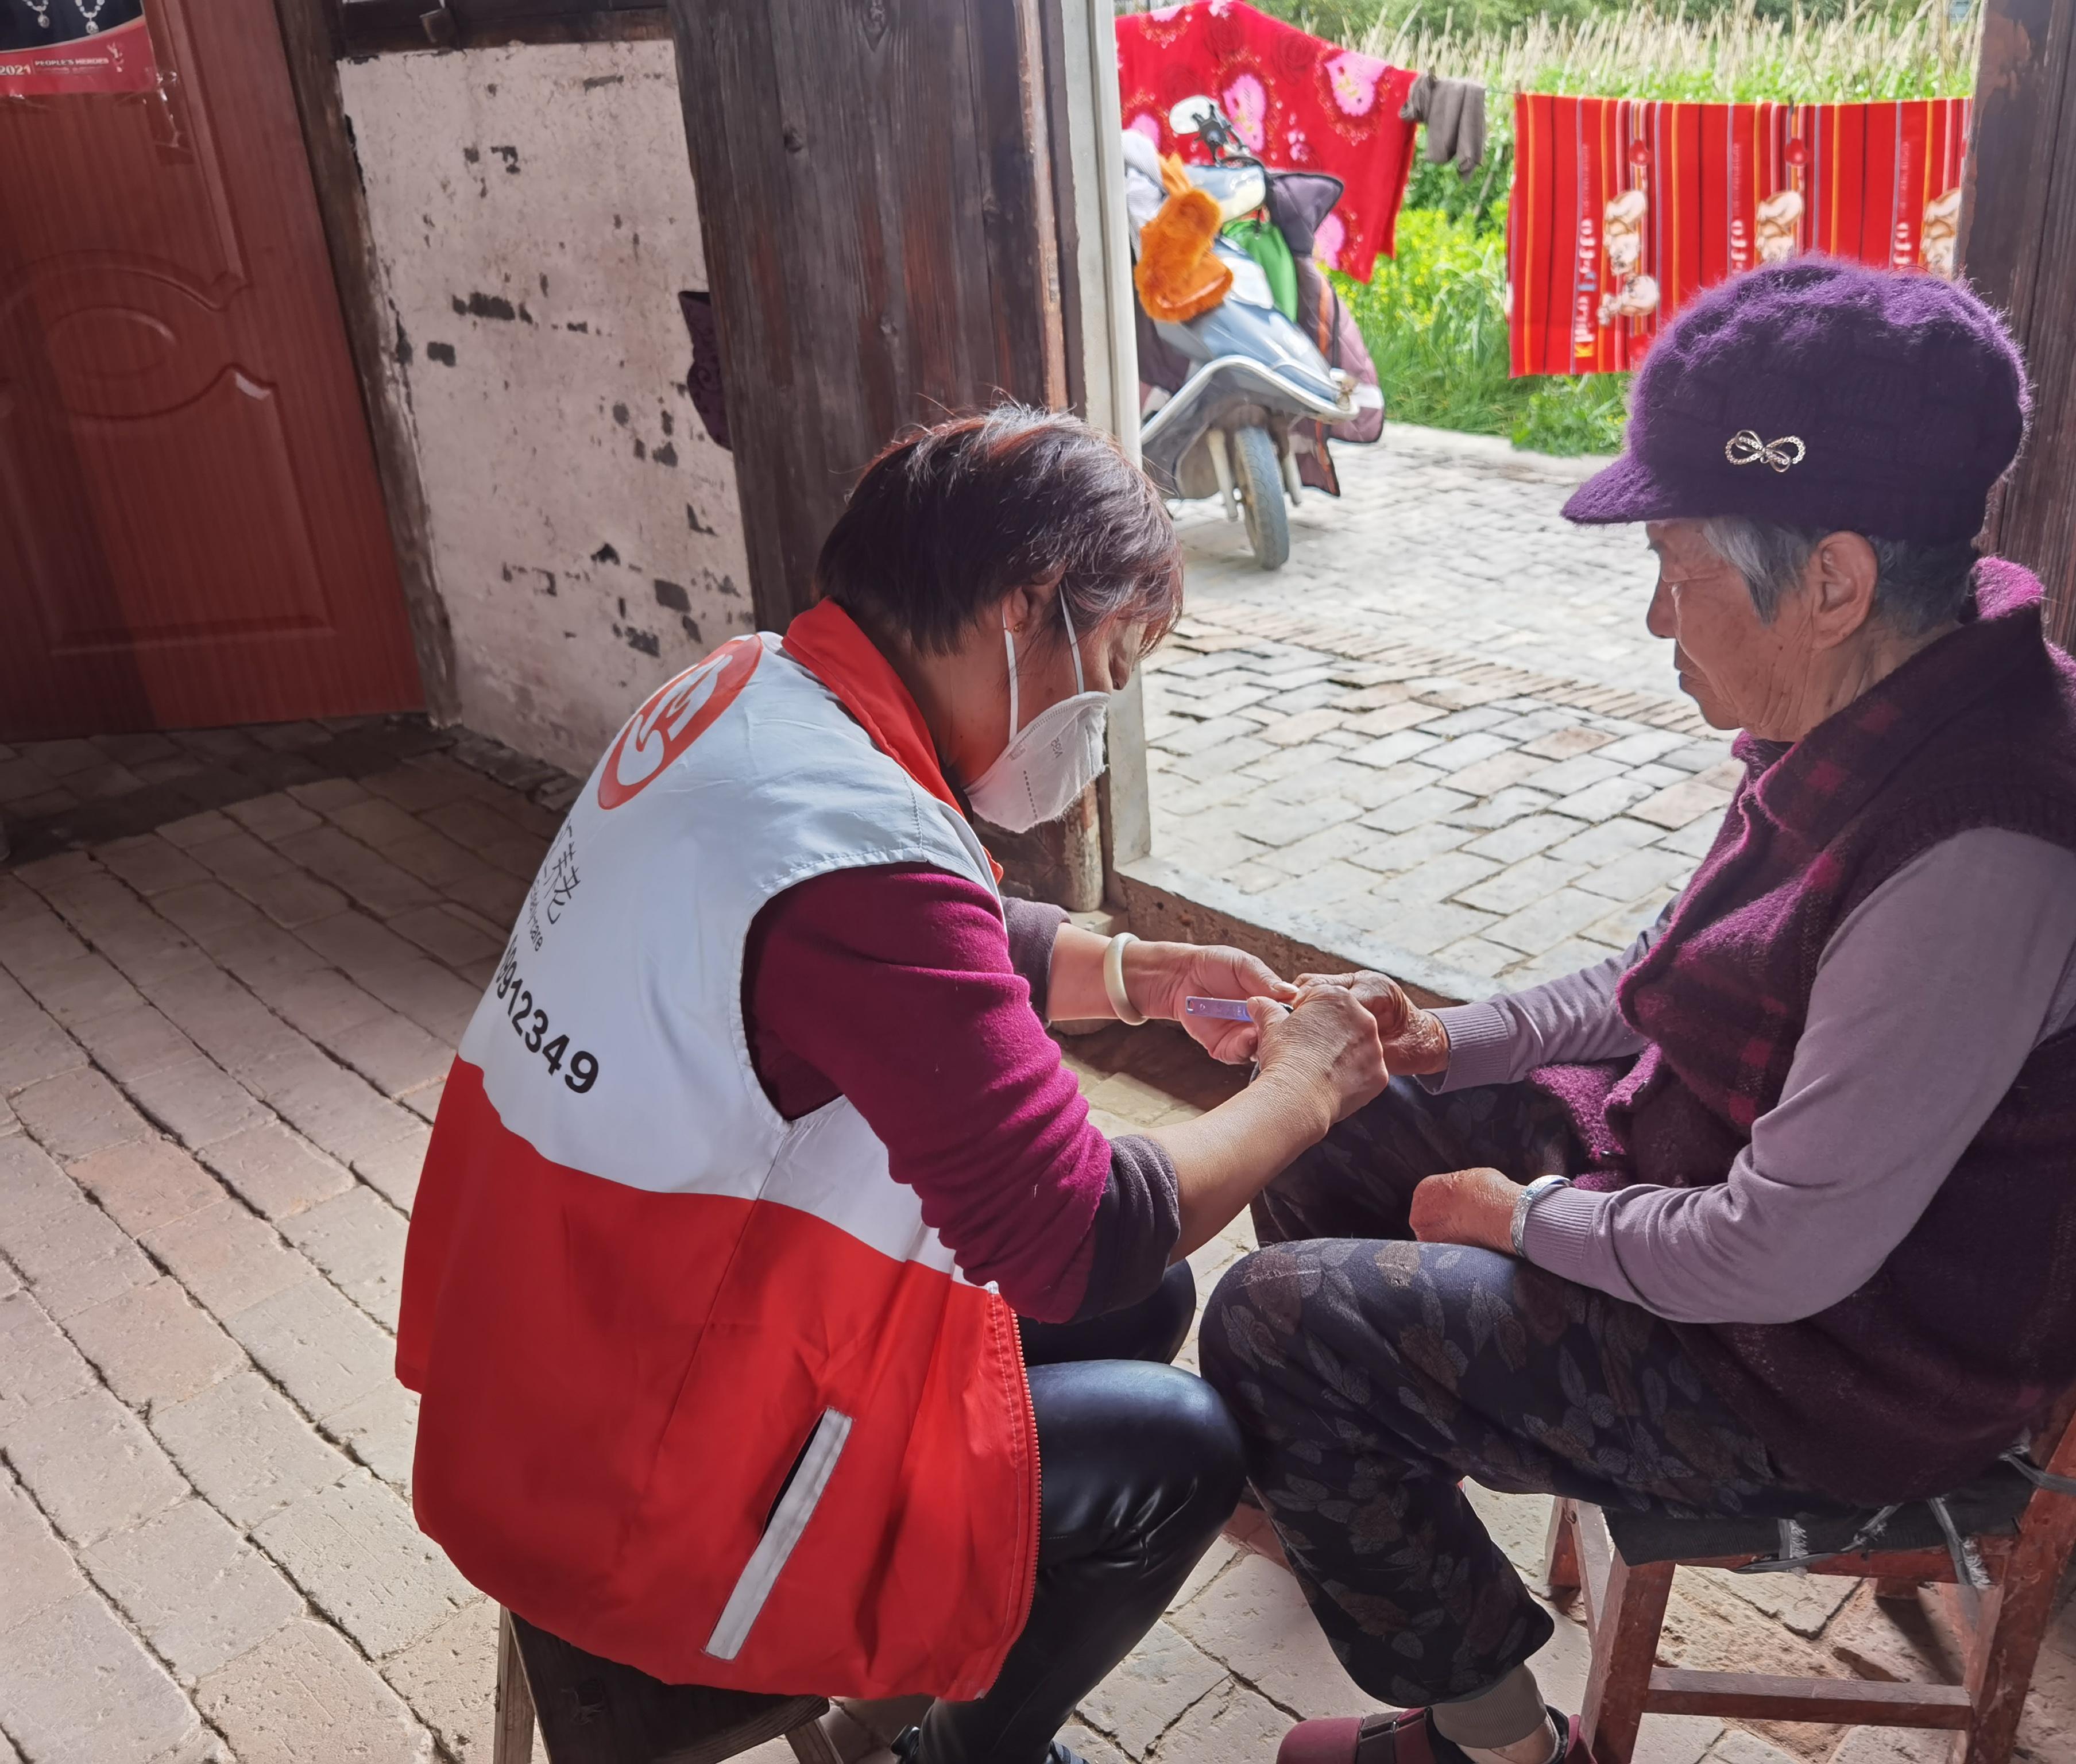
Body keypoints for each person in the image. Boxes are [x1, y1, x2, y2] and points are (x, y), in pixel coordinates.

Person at [1197, 261, 2076, 1764]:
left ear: (1832, 582)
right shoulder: (1885, 694)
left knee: (1281, 1326)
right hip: (1726, 1196)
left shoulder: (1987, 850)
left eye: (1677, 569)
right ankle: (1374, 1516)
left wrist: (1525, 1219)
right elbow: (1665, 971)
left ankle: (1487, 1734)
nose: (1653, 618)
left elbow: (1779, 1251)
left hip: (1838, 1367)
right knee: (1331, 1107)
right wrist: (1439, 1036)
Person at [395, 408, 1390, 1764]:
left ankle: (928, 1661)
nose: (1102, 716)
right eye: (1107, 663)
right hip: (638, 1485)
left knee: (1149, 1296)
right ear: (1022, 607)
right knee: (1173, 1444)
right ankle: (951, 1754)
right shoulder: (855, 838)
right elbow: (1069, 1230)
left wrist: (1132, 969)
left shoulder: (750, 696)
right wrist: (1307, 1089)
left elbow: (902, 964)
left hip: (555, 1363)